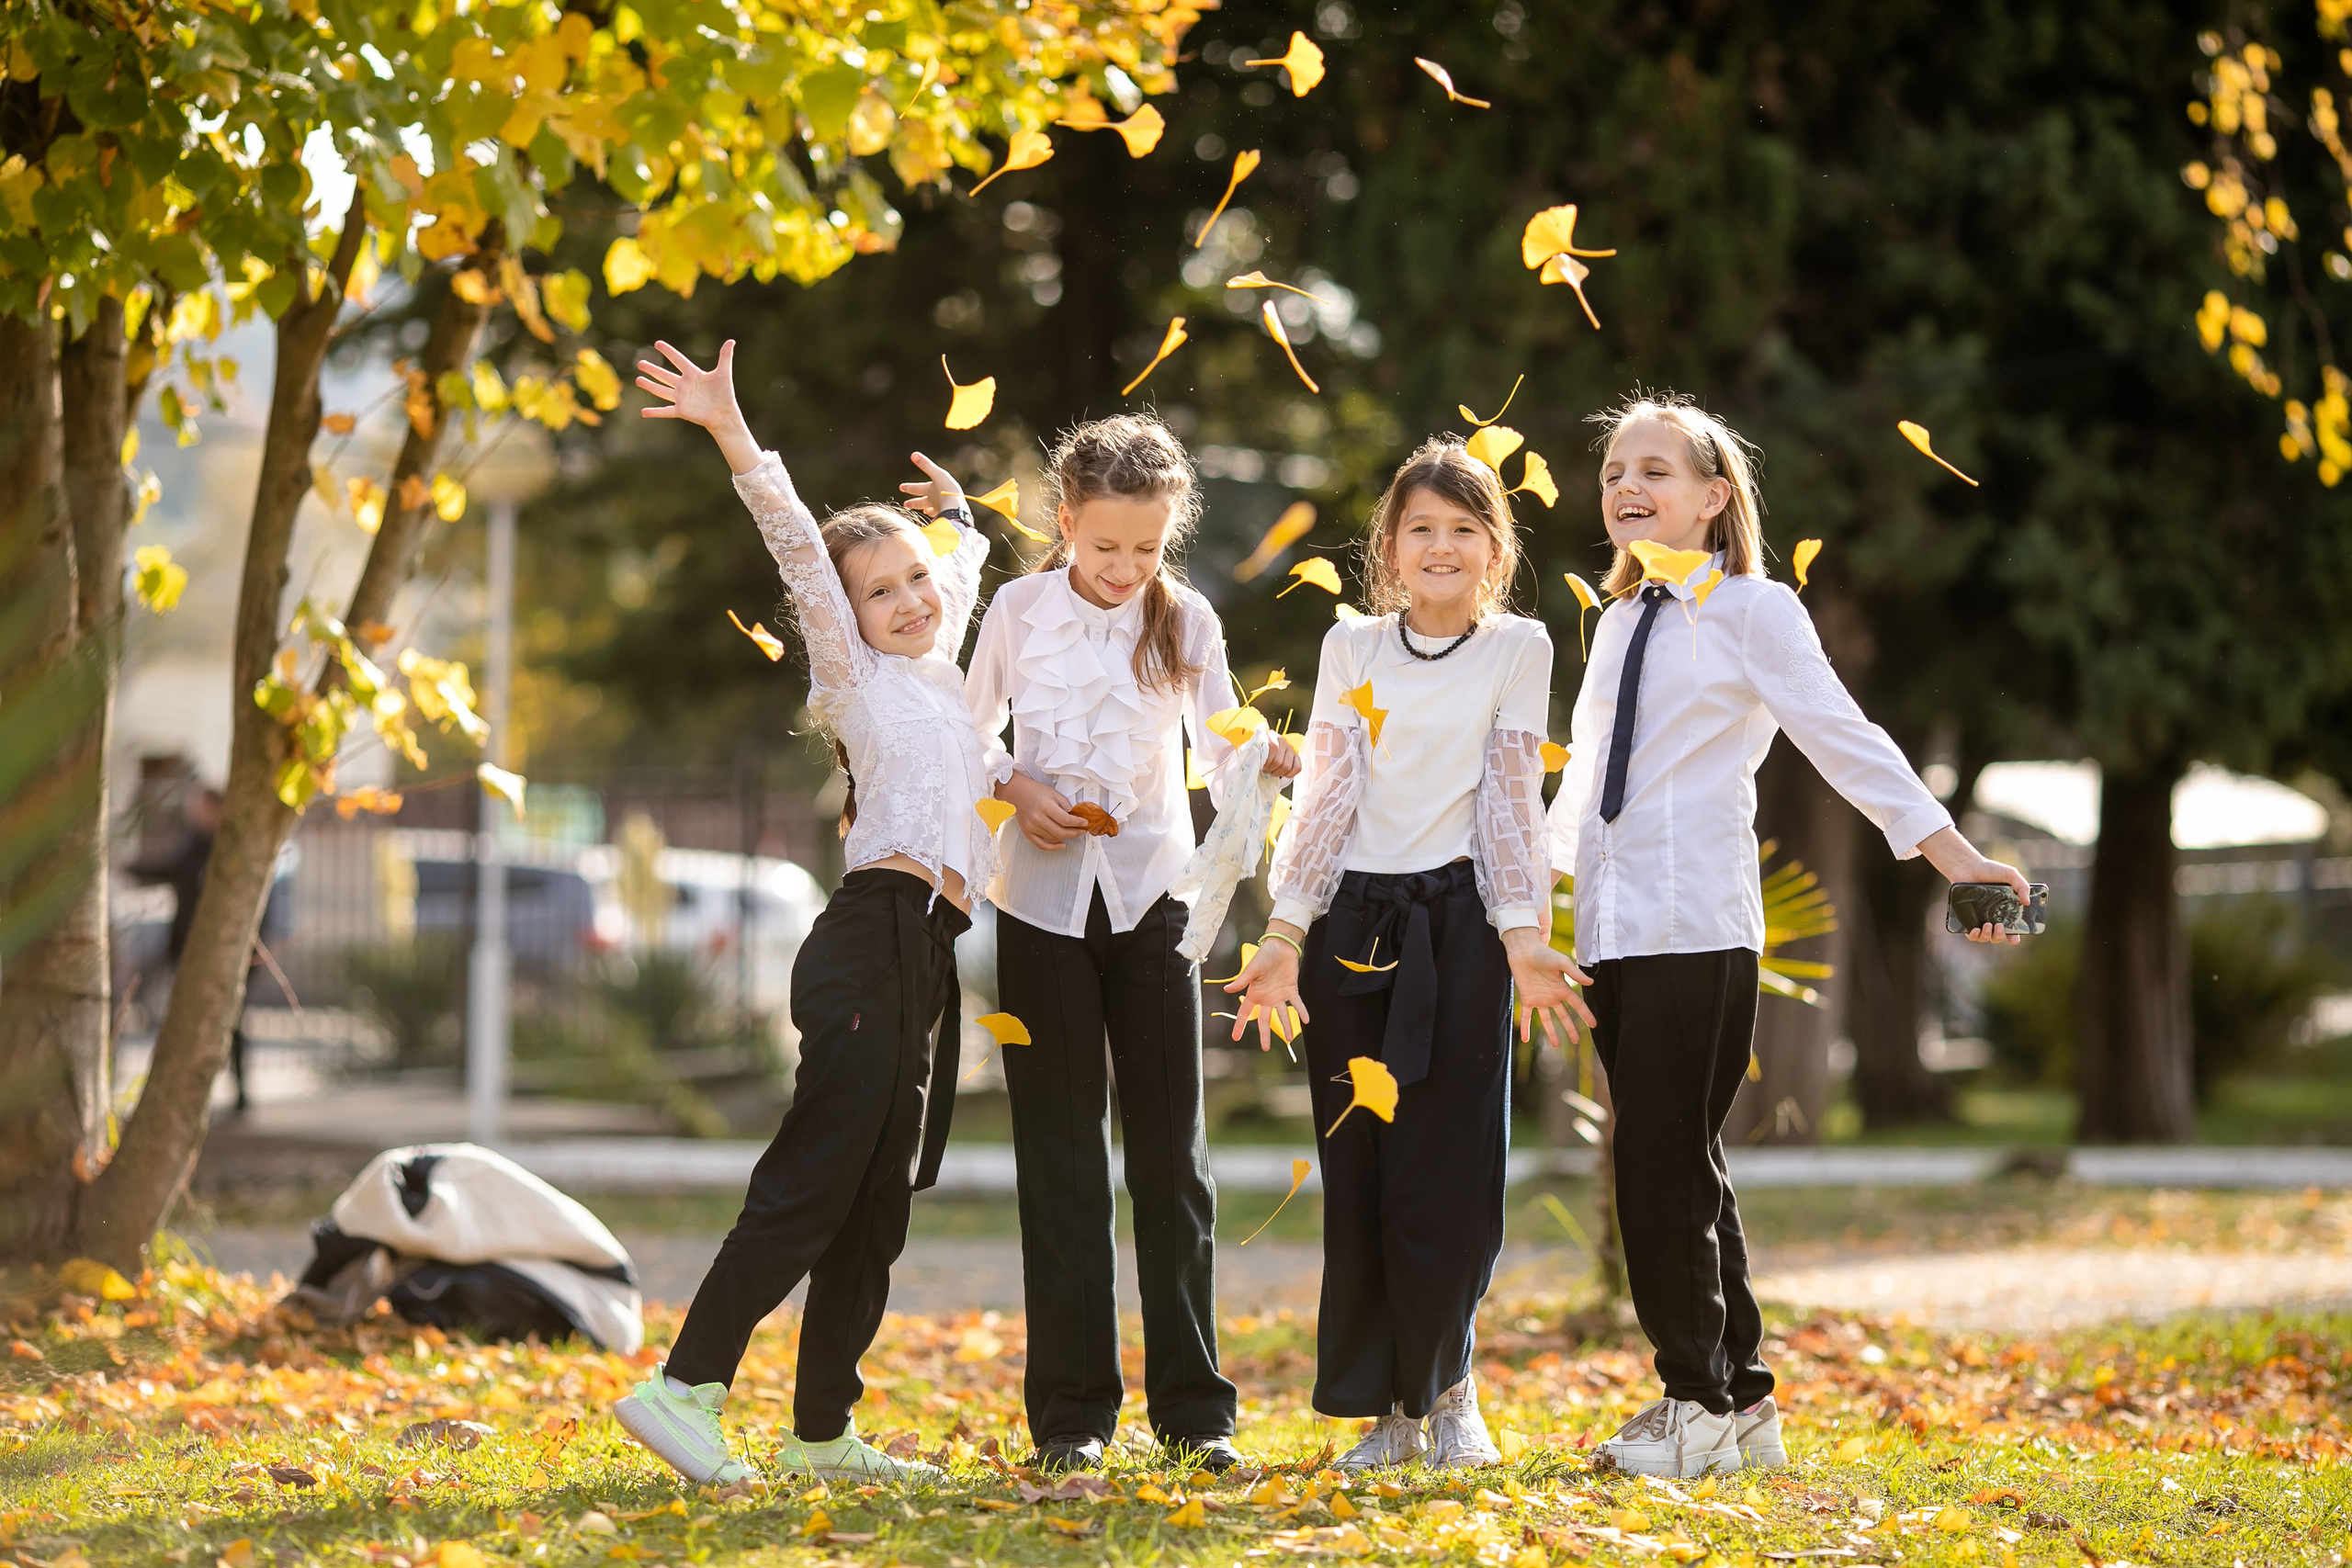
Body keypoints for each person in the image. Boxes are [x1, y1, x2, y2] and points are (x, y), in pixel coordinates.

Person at [1549, 393, 2027, 1479]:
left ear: (1715, 497)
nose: (1628, 486)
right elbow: (1583, 783)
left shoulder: (1755, 611)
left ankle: (1695, 1403)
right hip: (1616, 929)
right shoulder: (1619, 621)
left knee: (1658, 1165)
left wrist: (1951, 855)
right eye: (1616, 469)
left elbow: (1839, 735)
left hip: (1696, 925)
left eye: (1656, 470)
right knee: (1682, 1164)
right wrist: (1527, 909)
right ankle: (1741, 1405)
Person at [611, 340, 996, 1486]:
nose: (911, 601)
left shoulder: (938, 672)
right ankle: (684, 1389)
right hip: (869, 941)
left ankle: (822, 1430)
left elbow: (959, 574)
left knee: (878, 1203)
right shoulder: (857, 680)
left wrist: (960, 522)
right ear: (844, 617)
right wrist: (735, 434)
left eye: (915, 580)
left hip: (924, 953)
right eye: (881, 593)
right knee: (816, 1178)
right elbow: (795, 544)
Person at [1227, 438, 1589, 1471]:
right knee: (1366, 1168)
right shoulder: (1353, 648)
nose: (1441, 546)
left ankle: (1453, 1390)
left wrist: (1525, 937)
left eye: (1463, 529)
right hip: (1353, 933)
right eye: (1420, 528)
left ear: (1494, 547)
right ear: (1388, 544)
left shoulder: (1519, 649)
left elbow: (1514, 800)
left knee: (1452, 1168)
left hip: (1465, 930)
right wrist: (1286, 934)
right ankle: (1387, 1409)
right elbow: (1329, 796)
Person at [964, 413, 1300, 1474]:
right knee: (1059, 1164)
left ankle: (1197, 1415)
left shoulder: (1186, 618)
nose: (1124, 569)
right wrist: (1017, 787)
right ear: (1064, 523)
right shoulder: (1015, 612)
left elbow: (1218, 749)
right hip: (1039, 913)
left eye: (1146, 549)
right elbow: (966, 735)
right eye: (1105, 546)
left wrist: (1266, 757)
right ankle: (1072, 1419)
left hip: (1157, 908)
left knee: (1172, 1164)